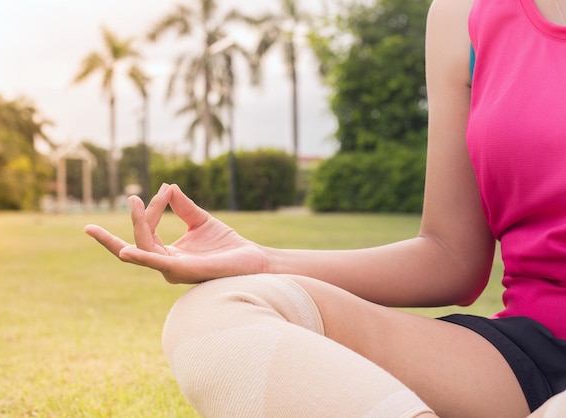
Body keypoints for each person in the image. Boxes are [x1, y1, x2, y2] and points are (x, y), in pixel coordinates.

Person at [84, 0, 566, 416]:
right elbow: (450, 255)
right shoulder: (462, 15)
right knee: (211, 315)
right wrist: (262, 261)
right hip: (530, 357)